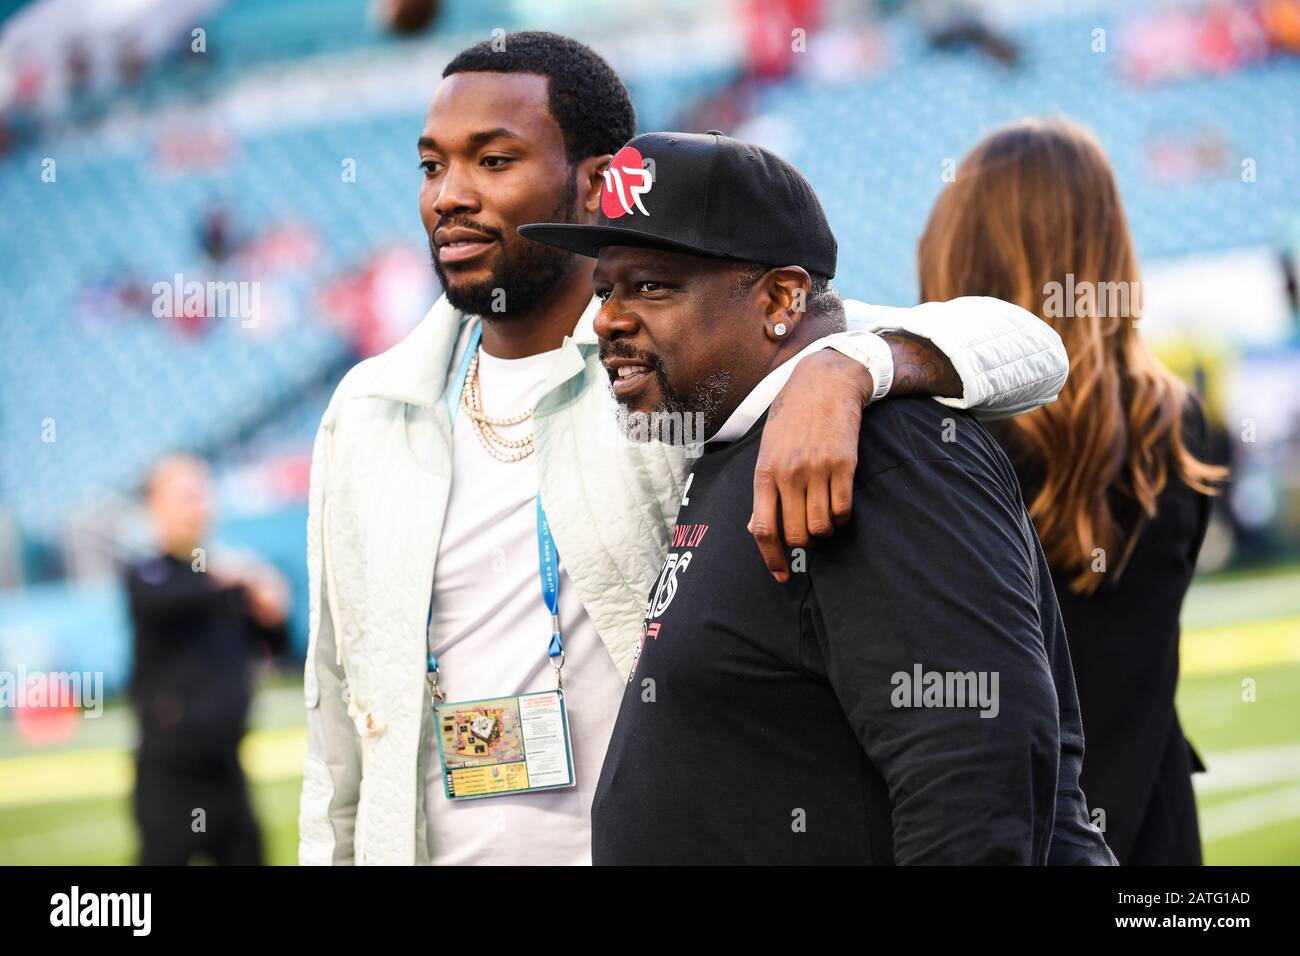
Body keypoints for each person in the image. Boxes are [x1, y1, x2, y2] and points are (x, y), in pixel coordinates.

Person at [298, 31, 1069, 866]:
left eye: (492, 161)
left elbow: (1024, 344)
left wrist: (851, 365)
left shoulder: (669, 368)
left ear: (593, 184)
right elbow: (338, 717)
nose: (450, 195)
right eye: (430, 166)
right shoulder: (371, 409)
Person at [523, 129, 1114, 865]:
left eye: (650, 286)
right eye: (605, 288)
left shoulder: (878, 448)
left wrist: (850, 368)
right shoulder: (729, 438)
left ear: (780, 298)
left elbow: (973, 760)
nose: (607, 318)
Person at [916, 118, 1228, 865]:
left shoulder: (933, 437)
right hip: (1152, 826)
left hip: (1007, 830)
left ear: (958, 246)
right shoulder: (1176, 423)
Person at [125, 454, 289, 865]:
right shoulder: (150, 574)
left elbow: (278, 642)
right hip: (171, 771)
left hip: (227, 765)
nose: (196, 506)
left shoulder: (227, 582)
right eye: (184, 496)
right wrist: (241, 579)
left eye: (200, 495)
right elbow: (169, 601)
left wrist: (270, 605)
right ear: (154, 507)